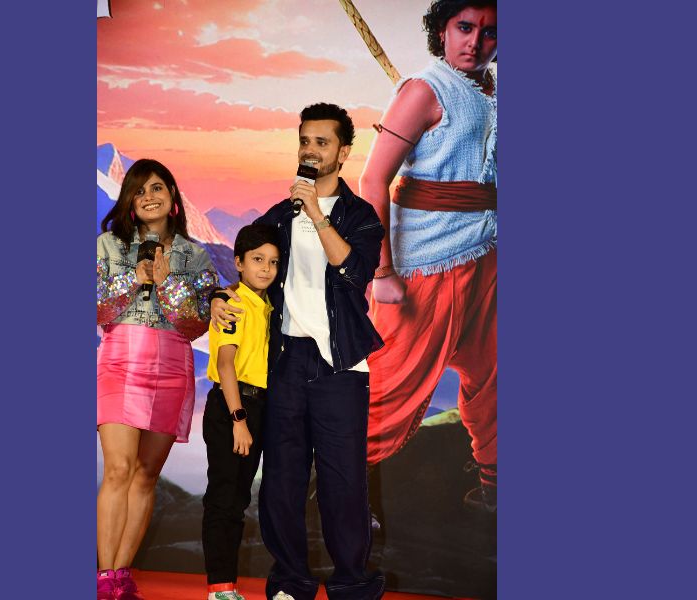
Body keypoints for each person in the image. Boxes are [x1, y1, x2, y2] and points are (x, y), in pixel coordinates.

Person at [211, 103, 385, 600]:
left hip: (341, 365)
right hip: (285, 362)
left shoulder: (359, 216)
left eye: (321, 143)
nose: (310, 151)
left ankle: (351, 585)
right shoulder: (277, 217)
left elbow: (354, 274)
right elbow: (246, 271)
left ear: (343, 153)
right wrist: (218, 296)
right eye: (305, 141)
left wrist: (316, 213)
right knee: (282, 481)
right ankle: (291, 582)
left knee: (343, 484)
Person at [360, 0, 498, 512]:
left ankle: (495, 485)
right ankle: (329, 497)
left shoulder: (493, 93)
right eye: (464, 27)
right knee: (390, 384)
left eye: (490, 32)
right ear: (442, 30)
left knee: (495, 373)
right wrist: (382, 270)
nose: (475, 42)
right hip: (427, 263)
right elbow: (372, 180)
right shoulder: (423, 90)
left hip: (488, 255)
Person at [96, 159, 218, 599]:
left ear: (172, 196)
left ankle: (121, 575)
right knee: (118, 469)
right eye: (139, 190)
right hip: (121, 362)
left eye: (157, 188)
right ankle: (104, 578)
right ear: (129, 201)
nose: (149, 196)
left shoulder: (195, 254)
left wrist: (168, 285)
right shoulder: (108, 245)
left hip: (171, 368)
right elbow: (98, 310)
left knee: (146, 475)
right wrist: (135, 276)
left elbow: (197, 324)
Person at [202, 224, 280, 600]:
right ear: (239, 263)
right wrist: (239, 420)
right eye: (257, 259)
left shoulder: (267, 305)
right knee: (224, 498)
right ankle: (219, 588)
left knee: (238, 500)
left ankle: (226, 586)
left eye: (273, 262)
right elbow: (226, 364)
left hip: (258, 405)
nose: (266, 268)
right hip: (232, 407)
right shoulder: (232, 302)